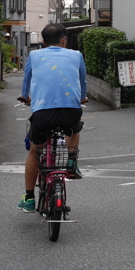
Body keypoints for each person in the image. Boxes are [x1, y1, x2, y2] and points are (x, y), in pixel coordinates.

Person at [17, 23, 88, 213]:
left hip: (43, 113)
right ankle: (71, 160)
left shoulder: (34, 56)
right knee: (74, 127)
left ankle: (29, 198)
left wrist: (25, 96)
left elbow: (27, 80)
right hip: (70, 111)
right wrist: (82, 97)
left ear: (43, 41)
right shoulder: (76, 55)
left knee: (34, 151)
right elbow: (82, 81)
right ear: (64, 40)